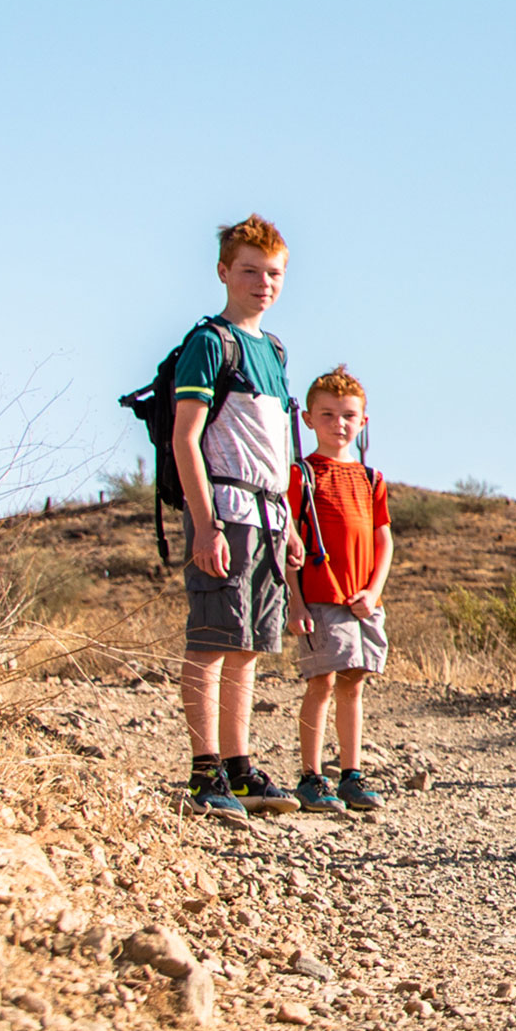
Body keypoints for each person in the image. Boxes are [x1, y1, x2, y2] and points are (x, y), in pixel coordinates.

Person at [171, 214, 307, 820]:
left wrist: (292, 525)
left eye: (273, 272)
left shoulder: (275, 350)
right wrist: (204, 524)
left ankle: (239, 766)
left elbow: (276, 449)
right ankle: (204, 772)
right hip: (224, 511)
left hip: (270, 517)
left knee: (248, 646)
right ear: (224, 272)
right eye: (249, 270)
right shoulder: (210, 343)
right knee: (210, 641)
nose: (263, 282)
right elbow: (185, 439)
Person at [283, 366, 390, 813]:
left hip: (363, 602)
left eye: (348, 415)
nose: (338, 424)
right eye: (327, 414)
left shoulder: (370, 478)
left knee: (354, 685)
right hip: (319, 599)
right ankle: (311, 776)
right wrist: (294, 600)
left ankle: (351, 774)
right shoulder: (300, 475)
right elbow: (287, 542)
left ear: (362, 421)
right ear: (308, 419)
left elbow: (384, 539)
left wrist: (373, 589)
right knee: (321, 683)